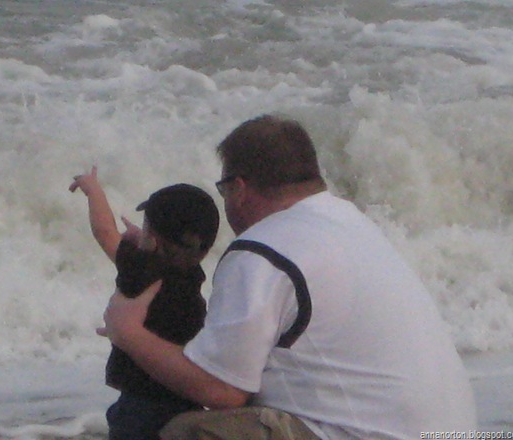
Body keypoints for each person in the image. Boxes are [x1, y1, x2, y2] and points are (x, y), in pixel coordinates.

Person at [98, 115, 478, 439]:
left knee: (182, 431)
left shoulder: (262, 249)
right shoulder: (352, 223)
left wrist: (128, 332)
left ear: (239, 189)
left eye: (224, 191)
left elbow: (222, 389)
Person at [70, 168, 219, 440]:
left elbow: (105, 231)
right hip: (184, 398)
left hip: (139, 404)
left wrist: (93, 190)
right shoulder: (192, 279)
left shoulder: (142, 271)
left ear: (153, 241)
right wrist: (145, 242)